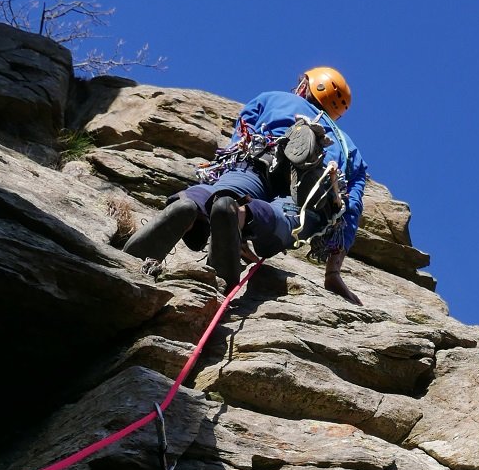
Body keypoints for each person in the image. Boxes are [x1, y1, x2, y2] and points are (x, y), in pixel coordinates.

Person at [124, 67, 367, 304]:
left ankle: (192, 206)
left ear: (305, 86)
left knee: (225, 190)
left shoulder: (273, 98)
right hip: (308, 191)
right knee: (287, 219)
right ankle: (240, 215)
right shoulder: (349, 148)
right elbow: (351, 207)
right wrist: (333, 272)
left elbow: (240, 139)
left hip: (258, 160)